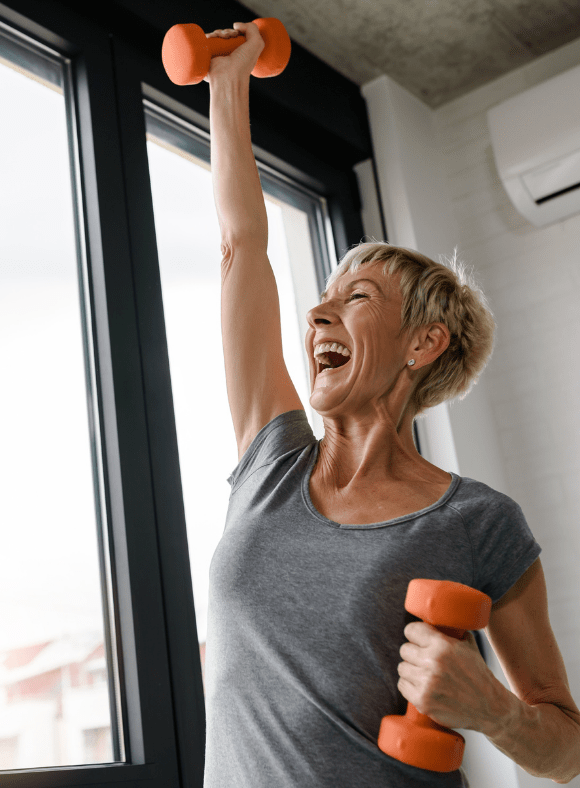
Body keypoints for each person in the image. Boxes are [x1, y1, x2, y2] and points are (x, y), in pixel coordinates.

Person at [203, 21, 580, 788]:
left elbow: (568, 748)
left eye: (357, 298)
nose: (315, 317)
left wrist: (495, 712)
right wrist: (228, 80)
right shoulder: (270, 465)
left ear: (423, 344)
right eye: (323, 299)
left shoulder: (478, 522)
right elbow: (242, 245)